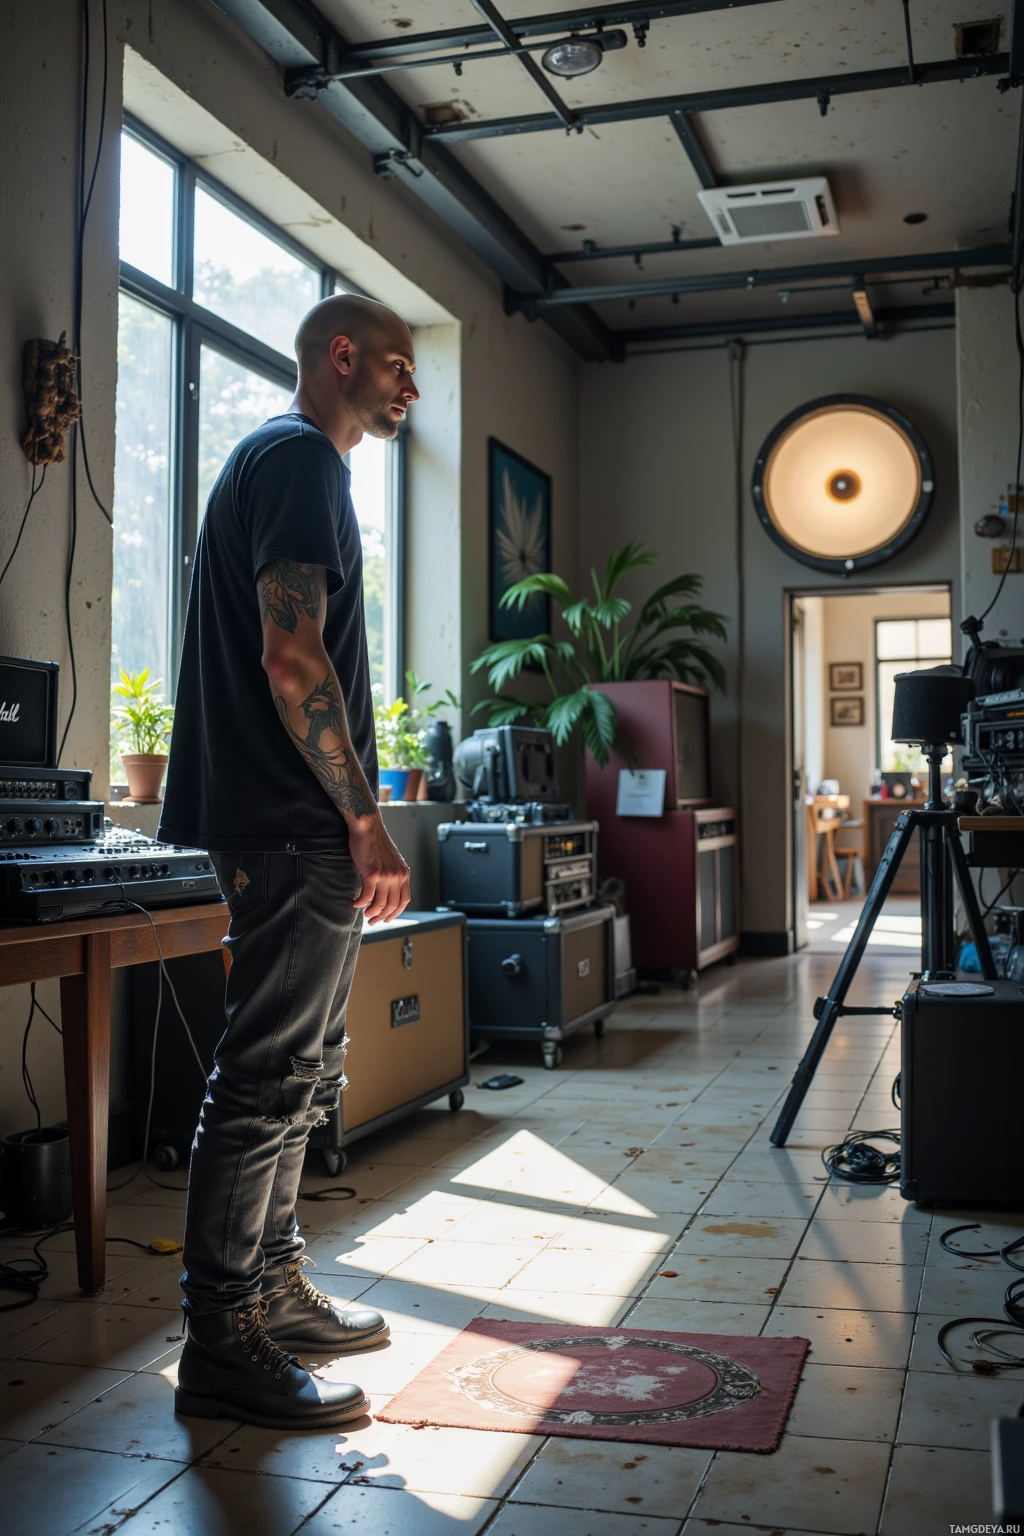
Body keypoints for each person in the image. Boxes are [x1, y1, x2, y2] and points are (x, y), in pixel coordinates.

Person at [157, 294, 418, 1429]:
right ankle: (222, 1338)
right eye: (401, 366)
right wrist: (364, 820)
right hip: (289, 822)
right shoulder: (302, 459)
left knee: (302, 1072)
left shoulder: (293, 463)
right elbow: (289, 653)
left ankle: (268, 1288)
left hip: (283, 820)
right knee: (266, 1079)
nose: (413, 388)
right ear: (342, 356)